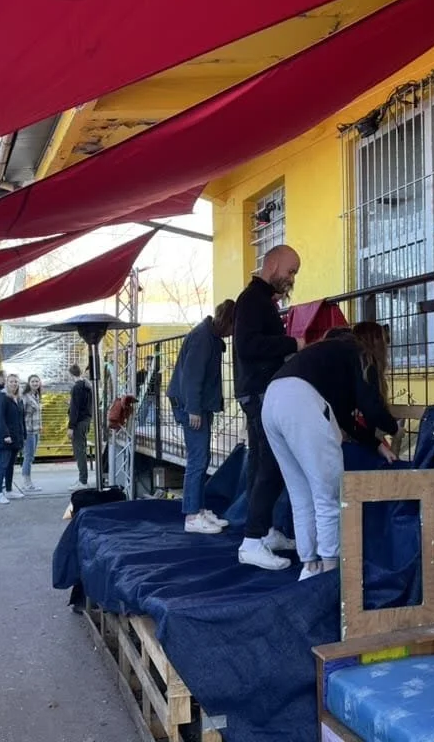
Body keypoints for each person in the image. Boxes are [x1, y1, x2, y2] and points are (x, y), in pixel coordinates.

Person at [262, 322, 398, 579]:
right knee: (328, 495)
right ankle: (329, 570)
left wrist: (375, 443)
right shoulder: (358, 353)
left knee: (300, 493)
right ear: (376, 344)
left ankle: (309, 565)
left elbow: (343, 417)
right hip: (300, 401)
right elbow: (371, 407)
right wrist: (394, 427)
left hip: (272, 400)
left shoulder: (328, 354)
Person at [234, 244, 305, 570]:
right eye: (290, 271)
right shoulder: (252, 301)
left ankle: (264, 533)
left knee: (264, 464)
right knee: (272, 466)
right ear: (273, 263)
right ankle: (253, 539)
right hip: (260, 393)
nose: (291, 278)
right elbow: (248, 347)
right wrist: (293, 344)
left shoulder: (260, 301)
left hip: (261, 392)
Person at [167, 299, 237, 534]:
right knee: (197, 459)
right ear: (227, 322)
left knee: (202, 456)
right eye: (232, 328)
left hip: (199, 405)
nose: (232, 334)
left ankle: (199, 508)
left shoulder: (210, 337)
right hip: (192, 406)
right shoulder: (202, 338)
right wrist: (193, 409)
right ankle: (192, 515)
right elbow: (192, 377)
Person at [0, 374, 26, 504]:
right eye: (11, 382)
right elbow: (0, 418)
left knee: (10, 465)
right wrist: (5, 435)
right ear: (7, 383)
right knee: (3, 465)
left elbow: (21, 419)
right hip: (6, 438)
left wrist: (23, 435)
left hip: (16, 437)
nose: (14, 384)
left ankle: (9, 490)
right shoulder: (2, 397)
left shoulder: (18, 399)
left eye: (16, 382)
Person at [67, 364, 93, 489]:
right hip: (86, 420)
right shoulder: (88, 385)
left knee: (79, 451)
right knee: (81, 449)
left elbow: (75, 409)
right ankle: (83, 479)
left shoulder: (77, 388)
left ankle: (83, 481)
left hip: (78, 422)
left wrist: (71, 426)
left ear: (71, 375)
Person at [20, 374, 43, 493]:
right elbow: (21, 414)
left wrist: (40, 426)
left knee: (31, 456)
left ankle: (28, 481)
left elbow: (38, 413)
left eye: (37, 381)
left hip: (36, 430)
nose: (35, 383)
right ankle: (26, 483)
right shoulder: (25, 397)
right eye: (33, 381)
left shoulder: (37, 395)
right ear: (29, 383)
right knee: (28, 457)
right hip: (28, 431)